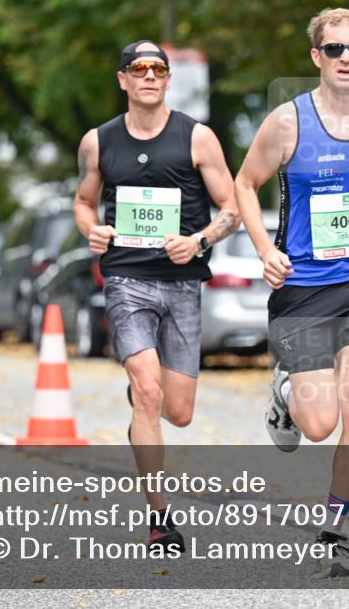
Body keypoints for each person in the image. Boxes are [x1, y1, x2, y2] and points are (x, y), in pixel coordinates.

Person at [234, 8, 349, 577]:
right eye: (335, 49)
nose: (346, 59)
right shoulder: (287, 123)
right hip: (303, 290)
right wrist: (266, 250)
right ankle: (286, 389)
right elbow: (245, 185)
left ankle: (334, 524)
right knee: (320, 425)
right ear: (316, 56)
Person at [73, 40, 239, 552]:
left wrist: (200, 241)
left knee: (179, 411)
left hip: (183, 282)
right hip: (126, 280)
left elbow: (231, 207)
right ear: (123, 79)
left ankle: (143, 399)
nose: (149, 76)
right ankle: (160, 519)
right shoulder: (98, 142)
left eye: (158, 69)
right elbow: (83, 202)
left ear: (168, 80)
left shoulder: (198, 138)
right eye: (138, 68)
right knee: (148, 392)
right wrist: (90, 230)